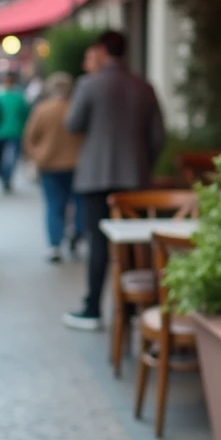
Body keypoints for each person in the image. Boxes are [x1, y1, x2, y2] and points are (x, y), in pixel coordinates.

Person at [62, 30, 166, 331]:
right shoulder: (144, 87)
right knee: (135, 243)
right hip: (135, 178)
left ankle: (93, 308)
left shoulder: (89, 84)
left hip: (95, 176)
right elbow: (158, 136)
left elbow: (73, 124)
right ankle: (135, 309)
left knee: (99, 242)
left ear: (101, 51)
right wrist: (143, 164)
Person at [23, 73, 84, 263]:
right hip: (77, 164)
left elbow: (29, 138)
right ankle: (77, 233)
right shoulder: (76, 108)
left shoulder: (42, 110)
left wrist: (37, 156)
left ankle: (55, 245)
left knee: (53, 205)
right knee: (79, 204)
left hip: (49, 165)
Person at [0, 72, 29, 193]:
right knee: (11, 158)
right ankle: (6, 177)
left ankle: (4, 176)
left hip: (1, 131)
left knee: (3, 158)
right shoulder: (19, 96)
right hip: (12, 131)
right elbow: (26, 114)